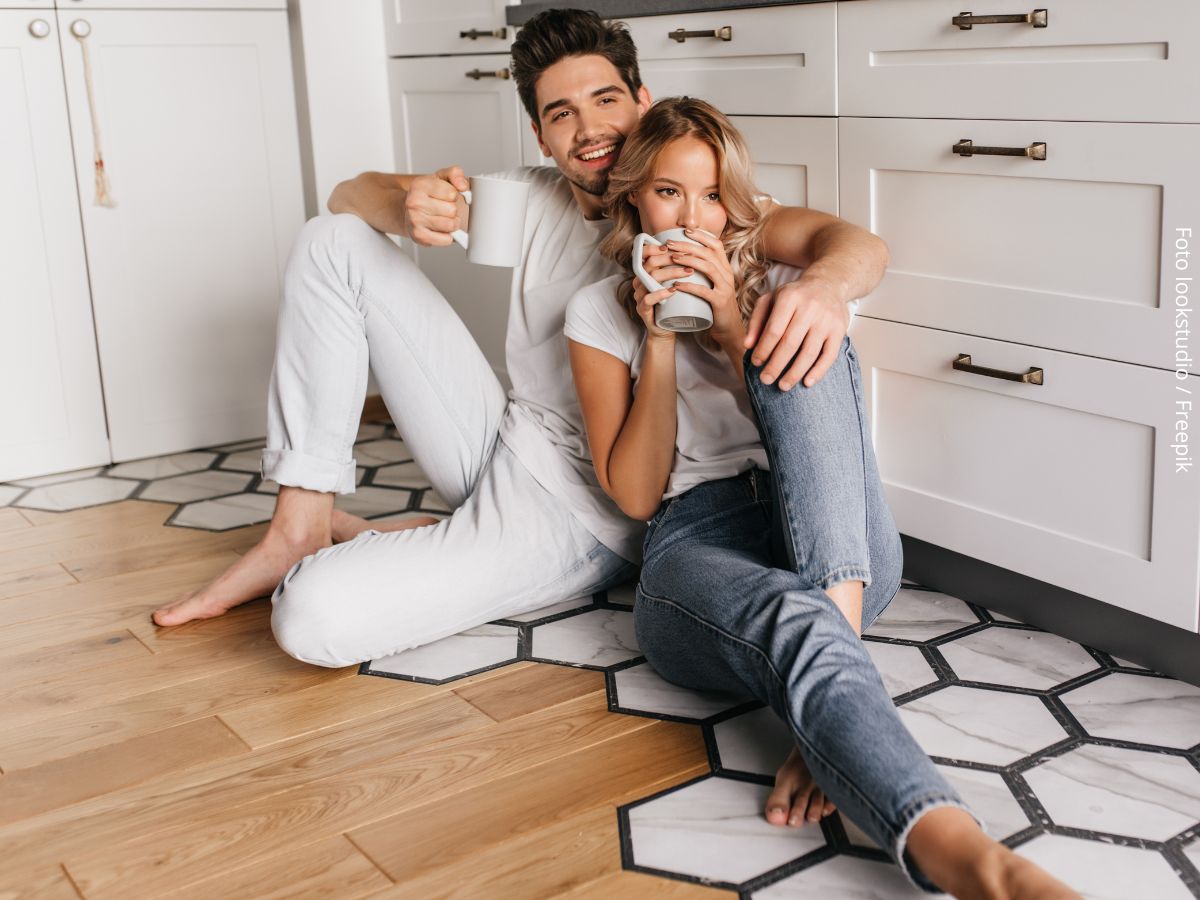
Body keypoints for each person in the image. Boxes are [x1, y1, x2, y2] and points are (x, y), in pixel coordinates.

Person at [148, 8, 887, 832]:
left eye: (606, 99)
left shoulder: (698, 208)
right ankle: (299, 523)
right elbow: (345, 197)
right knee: (332, 240)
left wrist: (825, 286)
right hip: (506, 440)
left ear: (643, 98)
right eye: (561, 113)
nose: (590, 129)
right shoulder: (528, 201)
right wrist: (407, 198)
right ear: (539, 135)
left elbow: (847, 241)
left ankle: (426, 552)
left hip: (587, 509)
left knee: (312, 619)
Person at [563, 96, 1079, 899]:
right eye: (668, 192)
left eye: (709, 196)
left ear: (734, 201)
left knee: (806, 322)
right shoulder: (597, 312)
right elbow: (634, 494)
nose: (690, 218)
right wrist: (659, 339)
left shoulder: (764, 273)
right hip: (694, 546)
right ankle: (986, 868)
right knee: (795, 618)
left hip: (833, 532)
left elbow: (858, 250)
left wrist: (734, 321)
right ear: (635, 195)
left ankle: (830, 670)